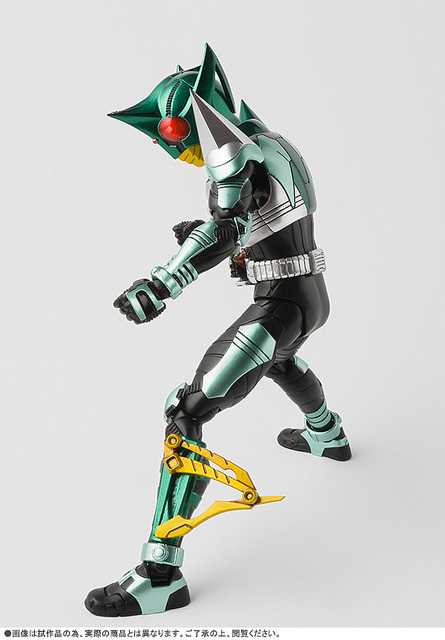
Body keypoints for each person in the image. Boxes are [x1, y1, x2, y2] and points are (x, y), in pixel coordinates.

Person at [85, 44, 351, 618]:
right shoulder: (273, 144)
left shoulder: (233, 155)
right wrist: (215, 235)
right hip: (308, 296)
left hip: (280, 304)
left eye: (176, 135)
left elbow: (227, 230)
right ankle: (326, 434)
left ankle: (161, 575)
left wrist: (164, 281)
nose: (178, 149)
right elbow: (264, 223)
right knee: (280, 360)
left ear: (194, 119)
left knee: (186, 413)